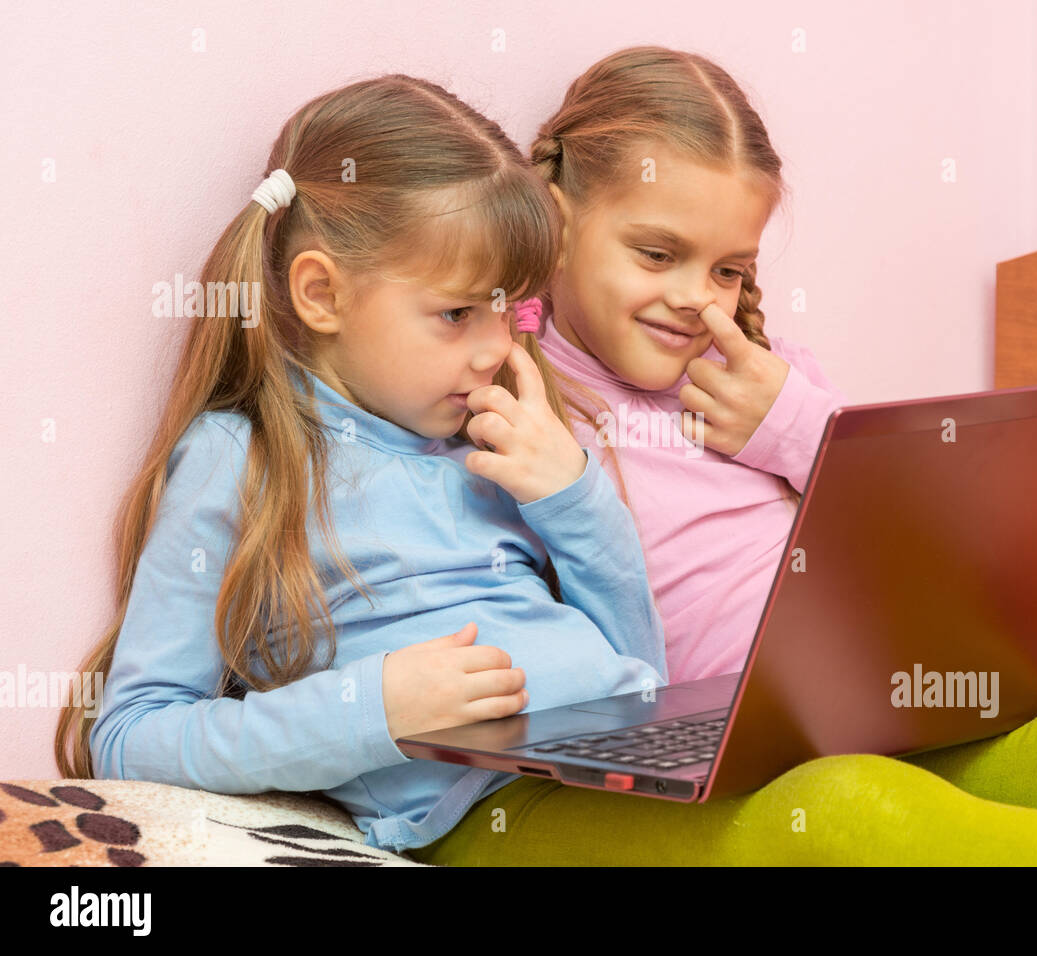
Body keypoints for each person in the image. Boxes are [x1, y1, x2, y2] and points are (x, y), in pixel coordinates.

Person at [408, 46, 1037, 866]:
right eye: (656, 254)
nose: (694, 299)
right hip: (748, 734)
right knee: (881, 805)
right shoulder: (506, 397)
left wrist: (796, 424)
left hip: (886, 682)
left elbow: (923, 524)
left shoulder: (754, 372)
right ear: (554, 221)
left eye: (727, 269)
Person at [53, 74, 668, 857]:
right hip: (490, 807)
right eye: (456, 313)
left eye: (509, 311)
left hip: (618, 769)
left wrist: (576, 497)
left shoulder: (499, 440)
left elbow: (644, 683)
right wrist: (371, 710)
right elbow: (132, 736)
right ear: (322, 295)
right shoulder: (240, 460)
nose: (496, 349)